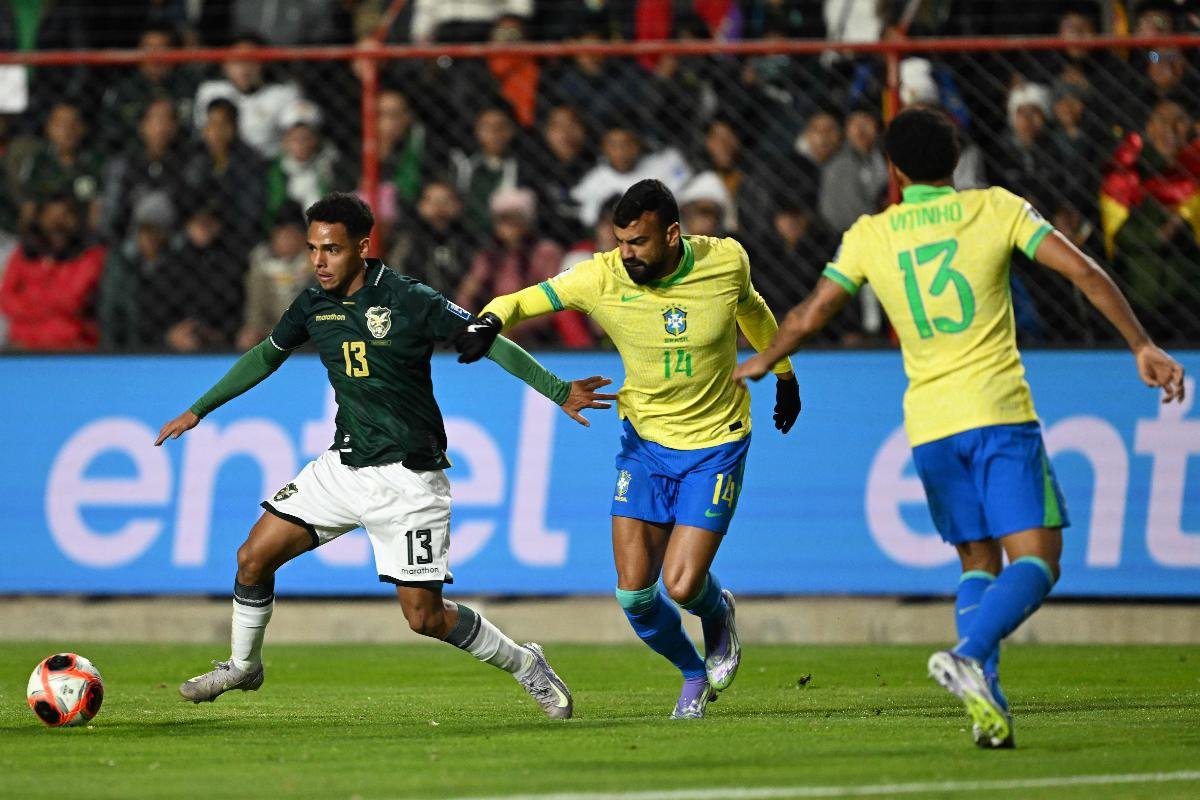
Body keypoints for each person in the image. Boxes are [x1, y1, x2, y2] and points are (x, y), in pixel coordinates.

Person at [732, 108, 1186, 748]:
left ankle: (986, 708)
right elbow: (1083, 270)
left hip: (930, 426)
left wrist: (762, 360)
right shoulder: (995, 208)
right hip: (997, 411)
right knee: (1040, 560)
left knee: (977, 561)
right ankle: (970, 653)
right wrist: (1140, 344)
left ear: (892, 171)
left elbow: (811, 313)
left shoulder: (871, 233)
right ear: (955, 162)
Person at [155, 192, 615, 719]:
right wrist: (199, 410)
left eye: (331, 249)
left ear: (363, 247)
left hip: (410, 479)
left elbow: (488, 340)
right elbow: (265, 356)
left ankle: (525, 663)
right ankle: (243, 666)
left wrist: (557, 390)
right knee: (252, 559)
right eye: (312, 249)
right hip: (343, 467)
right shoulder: (312, 305)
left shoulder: (409, 298)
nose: (318, 261)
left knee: (425, 618)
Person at [455, 179, 801, 718]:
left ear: (672, 233)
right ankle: (692, 674)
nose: (627, 253)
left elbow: (751, 311)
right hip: (645, 445)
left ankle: (718, 612)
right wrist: (490, 320)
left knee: (683, 587)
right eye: (620, 240)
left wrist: (783, 372)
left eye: (638, 241)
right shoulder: (602, 276)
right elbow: (526, 298)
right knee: (635, 596)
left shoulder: (726, 260)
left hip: (716, 442)